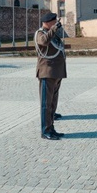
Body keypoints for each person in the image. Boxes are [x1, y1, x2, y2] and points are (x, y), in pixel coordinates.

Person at [35, 12, 67, 140]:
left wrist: (55, 31)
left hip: (56, 72)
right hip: (46, 73)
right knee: (46, 104)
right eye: (54, 22)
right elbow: (44, 42)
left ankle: (51, 128)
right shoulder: (40, 33)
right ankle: (45, 131)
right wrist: (54, 29)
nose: (56, 24)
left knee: (53, 104)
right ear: (48, 22)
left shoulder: (52, 34)